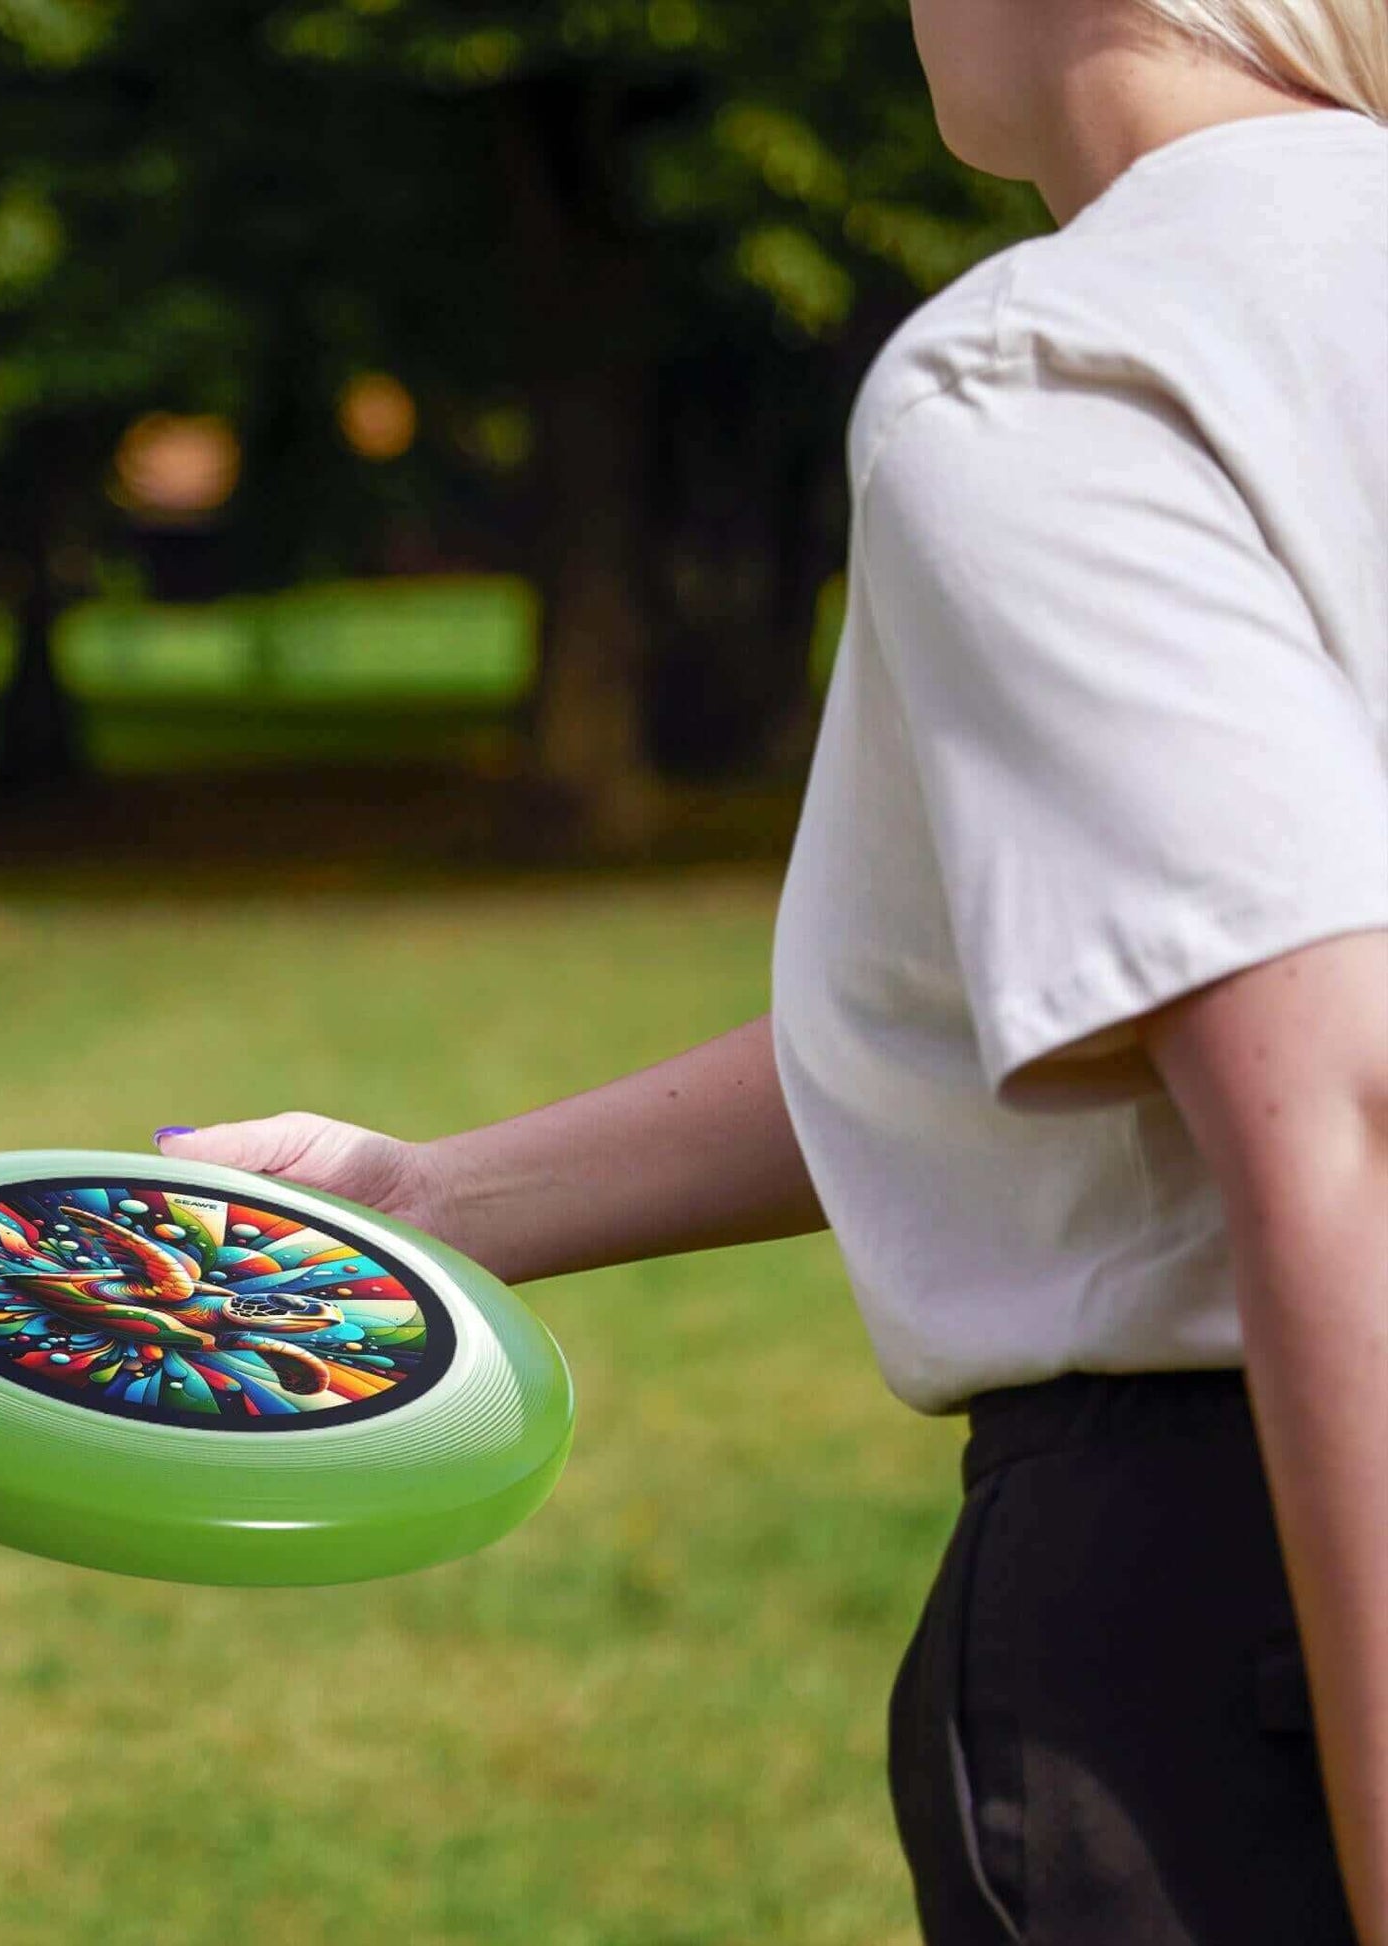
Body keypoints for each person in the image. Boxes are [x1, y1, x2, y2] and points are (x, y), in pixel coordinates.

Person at [150, 2, 1388, 1939]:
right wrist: (433, 1199)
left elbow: (1339, 1111)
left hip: (1245, 1610)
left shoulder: (1061, 368)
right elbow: (1089, 997)